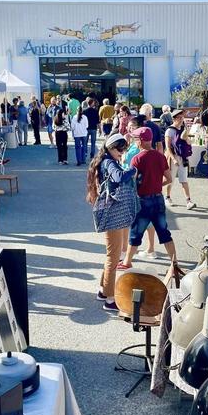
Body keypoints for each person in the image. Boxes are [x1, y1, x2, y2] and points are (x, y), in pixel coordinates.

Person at [86, 133, 136, 311]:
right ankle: (109, 298)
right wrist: (132, 170)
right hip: (113, 214)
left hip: (110, 212)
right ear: (112, 147)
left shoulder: (104, 159)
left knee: (111, 256)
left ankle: (102, 290)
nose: (121, 154)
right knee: (113, 258)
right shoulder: (109, 162)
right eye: (120, 150)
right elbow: (118, 177)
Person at [118, 127, 177, 270]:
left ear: (141, 141)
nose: (135, 141)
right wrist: (157, 184)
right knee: (164, 233)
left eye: (136, 139)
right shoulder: (160, 156)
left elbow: (131, 182)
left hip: (142, 200)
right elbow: (169, 178)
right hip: (158, 199)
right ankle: (174, 263)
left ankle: (127, 262)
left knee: (136, 233)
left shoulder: (137, 159)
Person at [165, 109, 196, 210]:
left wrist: (187, 139)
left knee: (184, 179)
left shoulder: (184, 129)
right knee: (170, 179)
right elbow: (168, 147)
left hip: (183, 157)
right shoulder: (170, 130)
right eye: (178, 118)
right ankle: (167, 197)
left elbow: (189, 143)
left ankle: (188, 200)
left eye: (182, 117)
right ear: (174, 119)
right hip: (173, 157)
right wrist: (173, 159)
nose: (181, 120)